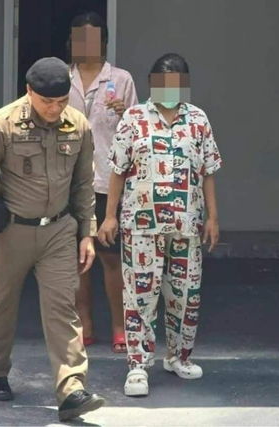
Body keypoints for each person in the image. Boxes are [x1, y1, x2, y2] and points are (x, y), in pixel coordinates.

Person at [0, 57, 105, 421]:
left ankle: (71, 388)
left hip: (59, 231)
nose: (55, 109)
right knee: (0, 305)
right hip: (10, 232)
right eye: (47, 102)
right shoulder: (2, 124)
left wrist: (86, 233)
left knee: (63, 308)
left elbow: (84, 183)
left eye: (62, 101)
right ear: (29, 91)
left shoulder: (78, 125)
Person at [98, 53, 223, 397]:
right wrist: (109, 215)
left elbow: (208, 171)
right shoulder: (133, 118)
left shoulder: (197, 119)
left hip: (187, 223)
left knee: (185, 293)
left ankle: (179, 356)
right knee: (140, 295)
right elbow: (118, 170)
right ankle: (138, 366)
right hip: (141, 224)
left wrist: (213, 217)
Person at [67, 11, 139, 353]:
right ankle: (84, 323)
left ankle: (119, 326)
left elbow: (137, 130)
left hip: (108, 183)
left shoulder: (120, 79)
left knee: (111, 257)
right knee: (77, 258)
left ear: (104, 42)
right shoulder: (62, 77)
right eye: (79, 38)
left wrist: (125, 112)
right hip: (69, 182)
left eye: (92, 39)